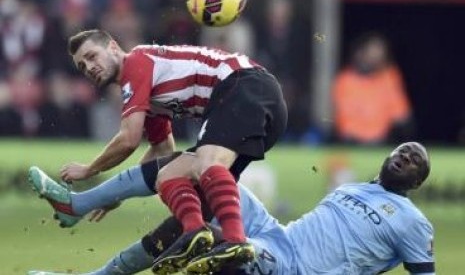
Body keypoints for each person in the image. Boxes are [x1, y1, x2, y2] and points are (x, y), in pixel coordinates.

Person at [57, 29, 287, 273]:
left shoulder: (136, 63)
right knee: (168, 176)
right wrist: (117, 195)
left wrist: (88, 170)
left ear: (113, 47)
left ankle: (235, 242)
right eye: (82, 66)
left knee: (206, 165)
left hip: (244, 84)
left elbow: (129, 139)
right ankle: (195, 233)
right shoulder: (152, 98)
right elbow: (163, 150)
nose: (89, 67)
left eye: (92, 56)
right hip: (257, 103)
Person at [28, 142, 435, 274]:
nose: (405, 157)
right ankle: (77, 205)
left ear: (417, 182)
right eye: (402, 151)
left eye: (414, 160)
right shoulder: (356, 188)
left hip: (291, 268)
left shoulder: (413, 223)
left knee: (211, 241)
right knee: (201, 164)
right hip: (277, 234)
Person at [332, 32, 413, 144]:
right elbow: (344, 120)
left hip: (382, 141)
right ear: (360, 53)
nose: (376, 57)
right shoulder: (346, 80)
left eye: (380, 53)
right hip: (352, 142)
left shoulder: (389, 78)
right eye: (372, 52)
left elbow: (401, 115)